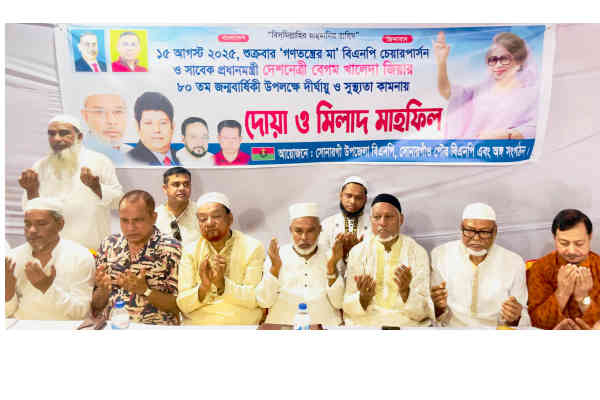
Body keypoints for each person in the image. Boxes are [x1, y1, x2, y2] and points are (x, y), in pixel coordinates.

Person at [18, 114, 123, 250]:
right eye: (51, 134)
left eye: (63, 133)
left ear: (80, 137)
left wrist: (96, 187)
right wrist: (31, 190)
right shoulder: (40, 166)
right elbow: (30, 212)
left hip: (91, 248)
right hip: (52, 250)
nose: (56, 138)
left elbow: (118, 202)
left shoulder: (99, 161)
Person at [430, 203, 530, 328]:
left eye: (484, 232)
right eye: (469, 231)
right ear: (461, 228)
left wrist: (515, 318)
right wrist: (436, 307)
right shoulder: (440, 255)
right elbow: (431, 313)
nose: (476, 238)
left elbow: (522, 317)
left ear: (495, 232)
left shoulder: (514, 262)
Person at [343, 194, 434, 327]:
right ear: (371, 220)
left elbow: (424, 311)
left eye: (389, 217)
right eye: (377, 217)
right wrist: (363, 298)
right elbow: (347, 305)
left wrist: (405, 292)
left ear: (401, 219)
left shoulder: (417, 252)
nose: (382, 223)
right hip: (367, 324)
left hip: (406, 324)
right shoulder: (358, 252)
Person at [91, 191, 181, 325]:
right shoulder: (109, 245)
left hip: (156, 330)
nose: (130, 228)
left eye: (138, 220)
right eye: (124, 220)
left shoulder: (172, 249)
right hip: (113, 328)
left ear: (154, 217)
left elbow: (180, 306)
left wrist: (145, 290)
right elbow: (96, 306)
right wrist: (103, 290)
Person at [177, 192, 265, 325]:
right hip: (199, 327)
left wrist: (222, 284)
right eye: (202, 219)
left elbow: (254, 299)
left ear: (230, 218)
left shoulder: (252, 247)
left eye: (216, 216)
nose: (209, 223)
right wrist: (204, 286)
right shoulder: (190, 251)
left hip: (240, 326)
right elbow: (183, 304)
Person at [433, 31, 538, 139]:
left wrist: (500, 135)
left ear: (519, 61)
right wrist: (441, 62)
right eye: (493, 60)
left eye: (504, 59)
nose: (498, 65)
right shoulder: (481, 91)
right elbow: (447, 92)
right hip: (473, 148)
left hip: (505, 149)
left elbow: (535, 128)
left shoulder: (530, 94)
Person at [256, 202, 345, 326]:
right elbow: (264, 301)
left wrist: (331, 267)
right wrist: (275, 268)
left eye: (310, 231)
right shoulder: (277, 255)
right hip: (283, 327)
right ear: (290, 230)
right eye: (298, 231)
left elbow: (339, 303)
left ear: (320, 230)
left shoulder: (331, 255)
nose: (304, 237)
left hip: (324, 326)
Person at [5, 197, 95, 320]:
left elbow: (81, 313)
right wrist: (8, 292)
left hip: (64, 328)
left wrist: (48, 289)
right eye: (27, 224)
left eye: (41, 224)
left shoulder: (80, 257)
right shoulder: (12, 258)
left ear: (60, 225)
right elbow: (7, 313)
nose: (32, 230)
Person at [527, 209, 600, 329]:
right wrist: (562, 293)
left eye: (579, 243)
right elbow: (535, 322)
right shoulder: (541, 268)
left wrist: (583, 298)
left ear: (590, 237)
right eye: (564, 243)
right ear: (554, 238)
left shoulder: (598, 266)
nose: (571, 251)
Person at [320, 176, 370, 277]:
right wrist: (338, 254)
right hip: (334, 281)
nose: (352, 201)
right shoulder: (327, 224)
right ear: (341, 195)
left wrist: (358, 252)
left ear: (365, 199)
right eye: (348, 196)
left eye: (358, 198)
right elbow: (320, 259)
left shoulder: (373, 224)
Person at [126, 92, 180, 166]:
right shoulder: (129, 161)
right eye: (148, 123)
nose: (157, 130)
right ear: (137, 127)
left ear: (173, 126)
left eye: (163, 123)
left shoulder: (182, 156)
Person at [155, 167, 201, 248]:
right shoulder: (155, 217)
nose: (182, 188)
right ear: (165, 189)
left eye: (186, 184)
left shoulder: (201, 213)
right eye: (176, 185)